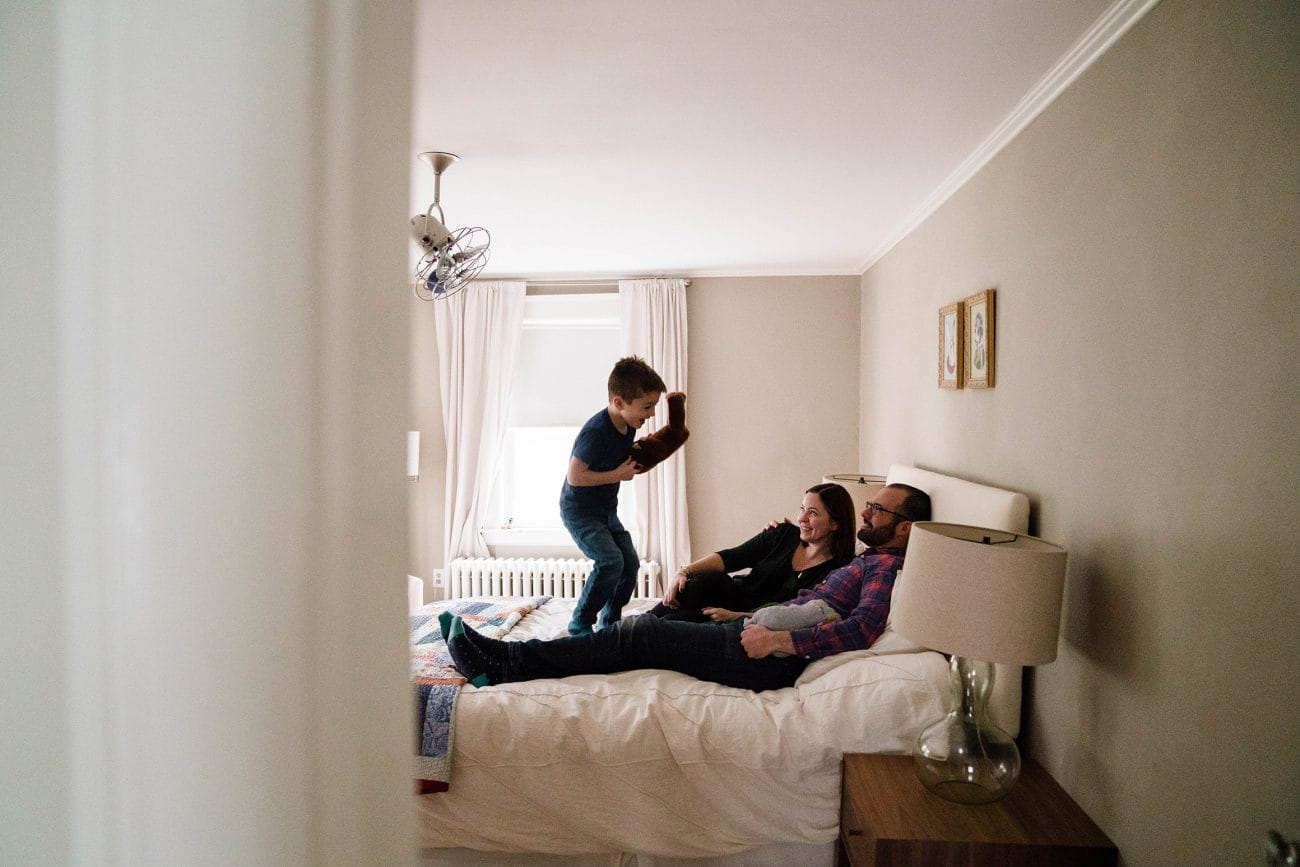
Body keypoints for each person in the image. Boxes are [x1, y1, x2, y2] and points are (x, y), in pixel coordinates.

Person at [444, 483, 932, 692]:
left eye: (879, 509)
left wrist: (781, 640)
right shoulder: (872, 559)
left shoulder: (883, 570)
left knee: (638, 635)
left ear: (906, 527)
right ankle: (521, 659)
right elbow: (746, 563)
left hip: (765, 656)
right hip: (751, 634)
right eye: (867, 504)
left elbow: (865, 628)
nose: (869, 510)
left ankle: (506, 665)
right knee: (639, 630)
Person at [561, 356, 667, 636]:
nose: (651, 414)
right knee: (610, 561)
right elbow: (575, 476)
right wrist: (618, 475)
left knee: (630, 564)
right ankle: (580, 622)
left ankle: (609, 621)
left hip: (606, 510)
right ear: (620, 402)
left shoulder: (629, 425)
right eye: (647, 406)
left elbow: (621, 457)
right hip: (580, 512)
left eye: (653, 406)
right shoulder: (596, 431)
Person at [652, 482, 857, 623]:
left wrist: (737, 616)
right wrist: (683, 571)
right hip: (729, 594)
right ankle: (634, 625)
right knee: (699, 583)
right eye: (802, 508)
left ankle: (637, 633)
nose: (802, 518)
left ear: (835, 523)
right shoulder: (783, 534)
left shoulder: (836, 573)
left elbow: (794, 613)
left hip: (748, 620)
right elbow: (731, 557)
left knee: (676, 623)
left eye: (812, 513)